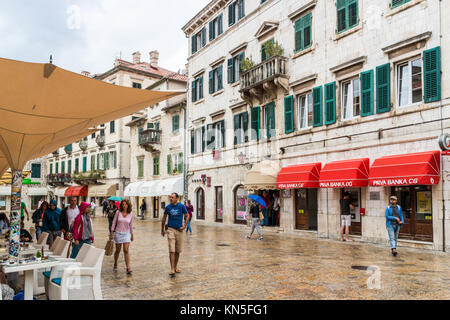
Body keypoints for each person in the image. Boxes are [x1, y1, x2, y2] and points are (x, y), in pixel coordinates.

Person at [161, 193, 189, 277]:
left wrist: (184, 226)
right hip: (170, 229)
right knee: (172, 249)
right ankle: (172, 268)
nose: (171, 199)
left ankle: (175, 266)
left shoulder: (181, 206)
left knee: (177, 251)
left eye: (172, 197)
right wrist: (162, 229)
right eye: (170, 197)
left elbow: (187, 215)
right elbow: (164, 218)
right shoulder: (168, 207)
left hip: (179, 230)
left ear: (177, 198)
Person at [110, 199, 134, 275]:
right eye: (123, 204)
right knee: (117, 250)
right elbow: (114, 222)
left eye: (125, 204)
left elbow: (131, 225)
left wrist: (132, 234)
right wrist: (111, 232)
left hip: (126, 234)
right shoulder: (118, 212)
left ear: (128, 205)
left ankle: (128, 267)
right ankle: (115, 263)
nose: (124, 205)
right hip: (118, 233)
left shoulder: (130, 214)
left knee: (126, 250)